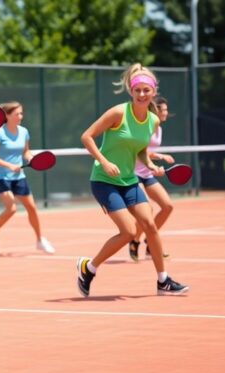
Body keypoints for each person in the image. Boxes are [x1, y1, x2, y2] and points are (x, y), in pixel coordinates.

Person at [77, 63, 189, 297]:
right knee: (128, 231)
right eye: (137, 90)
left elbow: (139, 150)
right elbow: (86, 137)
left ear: (153, 92)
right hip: (103, 180)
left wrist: (149, 165)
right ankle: (89, 268)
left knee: (149, 226)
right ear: (131, 90)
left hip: (129, 180)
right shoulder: (118, 112)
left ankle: (163, 281)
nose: (141, 94)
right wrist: (104, 162)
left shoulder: (153, 121)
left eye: (146, 90)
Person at [0, 101, 55, 256]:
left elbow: (26, 152)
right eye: (17, 114)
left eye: (21, 113)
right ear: (7, 116)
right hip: (0, 177)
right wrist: (9, 166)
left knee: (32, 208)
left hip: (18, 176)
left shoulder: (24, 132)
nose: (20, 116)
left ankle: (39, 240)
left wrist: (31, 159)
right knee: (12, 208)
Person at [128, 96, 173, 261]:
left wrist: (155, 161)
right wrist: (160, 157)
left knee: (167, 206)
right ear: (155, 111)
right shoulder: (144, 127)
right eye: (164, 110)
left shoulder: (159, 129)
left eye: (166, 110)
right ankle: (135, 240)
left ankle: (149, 241)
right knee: (147, 211)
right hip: (134, 174)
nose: (166, 113)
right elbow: (140, 151)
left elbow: (148, 153)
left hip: (147, 174)